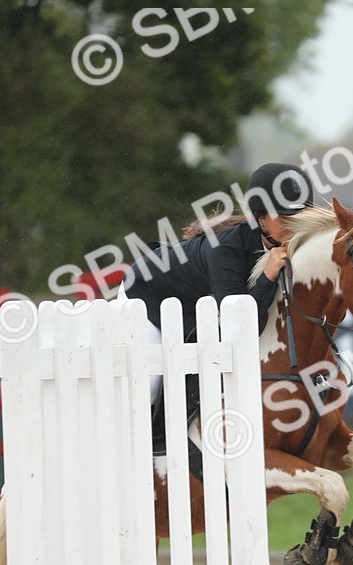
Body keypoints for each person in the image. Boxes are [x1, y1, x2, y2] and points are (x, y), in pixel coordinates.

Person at [118, 162, 315, 404]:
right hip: (146, 294)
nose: (293, 225)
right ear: (261, 218)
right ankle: (154, 440)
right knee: (149, 385)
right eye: (284, 217)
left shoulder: (292, 246)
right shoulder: (226, 251)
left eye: (300, 216)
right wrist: (268, 276)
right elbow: (240, 326)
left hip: (194, 303)